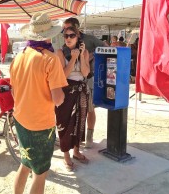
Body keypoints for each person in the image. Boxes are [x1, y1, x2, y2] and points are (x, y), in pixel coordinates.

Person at [10, 12, 68, 194]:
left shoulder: (19, 57)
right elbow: (58, 99)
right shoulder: (50, 59)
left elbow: (14, 91)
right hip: (41, 124)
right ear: (50, 35)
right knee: (40, 173)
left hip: (21, 119)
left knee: (25, 163)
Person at [63, 17, 107, 148]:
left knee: (89, 109)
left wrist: (92, 55)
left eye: (69, 30)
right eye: (65, 31)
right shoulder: (65, 41)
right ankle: (73, 138)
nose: (66, 34)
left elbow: (106, 47)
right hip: (69, 82)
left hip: (87, 78)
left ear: (76, 29)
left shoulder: (89, 39)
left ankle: (89, 134)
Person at [55, 26, 90, 171]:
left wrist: (81, 56)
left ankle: (76, 151)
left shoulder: (85, 52)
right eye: (66, 36)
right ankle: (66, 156)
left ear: (78, 37)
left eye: (72, 35)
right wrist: (73, 57)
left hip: (80, 90)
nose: (68, 38)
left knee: (80, 122)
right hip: (66, 91)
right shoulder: (60, 52)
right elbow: (63, 75)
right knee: (64, 122)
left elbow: (86, 72)